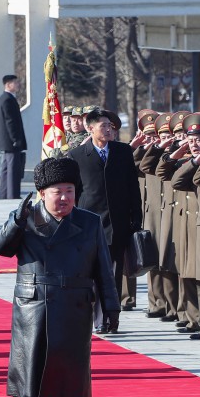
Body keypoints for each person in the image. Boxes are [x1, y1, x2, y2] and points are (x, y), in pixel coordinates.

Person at [0, 157, 119, 397]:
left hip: (74, 306)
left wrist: (111, 307)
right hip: (33, 306)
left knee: (71, 375)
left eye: (70, 191)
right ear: (42, 193)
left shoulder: (89, 222)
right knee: (28, 369)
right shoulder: (26, 218)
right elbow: (0, 248)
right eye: (57, 191)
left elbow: (102, 267)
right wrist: (16, 220)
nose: (64, 198)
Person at [67, 108, 143, 331]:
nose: (109, 129)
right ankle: (89, 317)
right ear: (90, 129)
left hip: (117, 224)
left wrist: (135, 219)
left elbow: (133, 188)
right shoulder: (76, 156)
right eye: (104, 126)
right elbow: (74, 192)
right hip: (88, 225)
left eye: (111, 126)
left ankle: (109, 320)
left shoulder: (122, 152)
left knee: (113, 275)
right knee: (89, 274)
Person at [0, 74, 27, 199]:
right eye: (15, 82)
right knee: (13, 170)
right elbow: (10, 121)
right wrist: (15, 139)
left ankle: (4, 194)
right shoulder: (8, 99)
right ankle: (12, 195)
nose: (18, 85)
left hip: (6, 141)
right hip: (11, 141)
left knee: (5, 169)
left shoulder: (3, 98)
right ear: (8, 84)